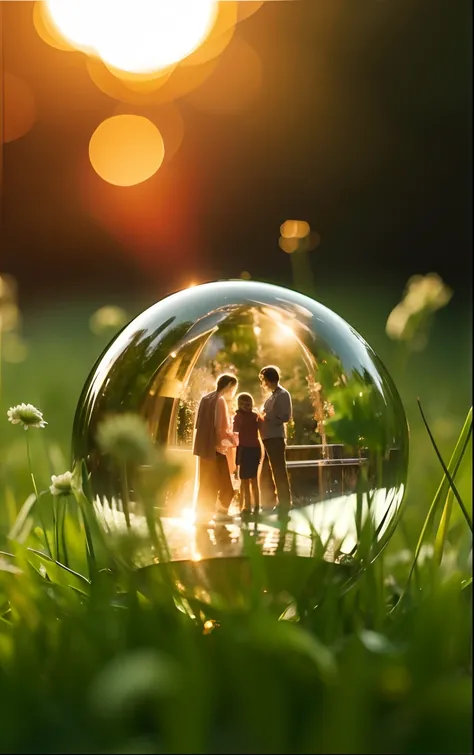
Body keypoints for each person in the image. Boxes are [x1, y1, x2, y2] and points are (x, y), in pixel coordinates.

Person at [193, 373, 238, 521]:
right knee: (226, 487)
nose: (233, 391)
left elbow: (198, 425)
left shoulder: (205, 399)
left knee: (206, 484)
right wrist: (234, 439)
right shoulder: (220, 401)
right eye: (233, 387)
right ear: (229, 386)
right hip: (216, 450)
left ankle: (203, 516)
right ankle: (221, 514)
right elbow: (221, 428)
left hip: (203, 448)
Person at [258, 365, 293, 518]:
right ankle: (268, 503)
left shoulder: (283, 395)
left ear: (269, 380)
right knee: (265, 472)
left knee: (278, 471)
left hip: (275, 437)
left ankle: (284, 504)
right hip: (266, 437)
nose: (263, 383)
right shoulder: (272, 396)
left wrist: (268, 416)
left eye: (264, 380)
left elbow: (286, 417)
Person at [233, 392, 262, 518]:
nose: (247, 406)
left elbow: (235, 430)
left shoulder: (241, 417)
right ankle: (252, 506)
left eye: (248, 404)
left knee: (247, 480)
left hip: (246, 449)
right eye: (244, 404)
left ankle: (249, 506)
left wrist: (239, 415)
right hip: (252, 449)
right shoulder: (255, 416)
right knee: (250, 480)